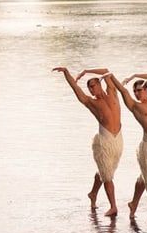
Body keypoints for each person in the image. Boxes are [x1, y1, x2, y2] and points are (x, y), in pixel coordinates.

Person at [52, 66, 123, 217]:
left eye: (92, 86)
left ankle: (93, 193)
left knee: (106, 171)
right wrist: (66, 72)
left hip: (118, 140)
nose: (91, 90)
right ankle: (113, 206)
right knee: (107, 175)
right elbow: (75, 87)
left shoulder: (113, 93)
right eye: (89, 88)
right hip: (104, 141)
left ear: (99, 84)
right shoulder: (91, 102)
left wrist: (86, 71)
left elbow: (106, 70)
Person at [109, 72, 147, 224]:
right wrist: (111, 77)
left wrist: (135, 75)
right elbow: (123, 91)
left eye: (139, 90)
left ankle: (133, 203)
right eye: (135, 91)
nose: (136, 93)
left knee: (146, 176)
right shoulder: (135, 105)